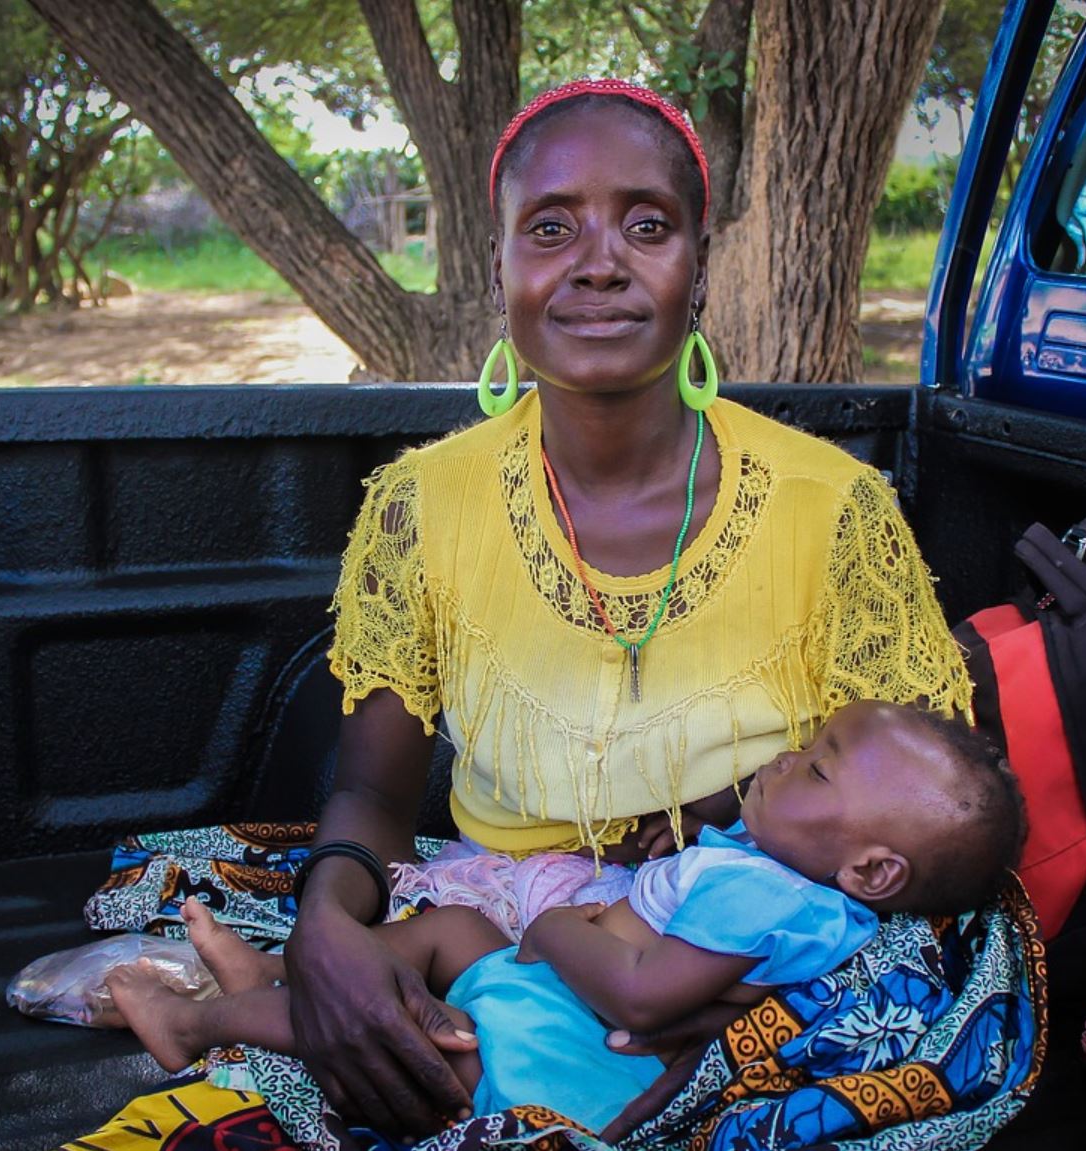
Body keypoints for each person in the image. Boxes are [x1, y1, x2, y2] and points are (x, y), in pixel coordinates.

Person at [285, 77, 974, 1136]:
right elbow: (373, 796)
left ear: (699, 267)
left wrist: (750, 978)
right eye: (549, 227)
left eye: (646, 226)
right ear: (498, 267)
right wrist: (324, 926)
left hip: (748, 953)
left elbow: (915, 813)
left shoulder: (833, 507)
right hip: (502, 920)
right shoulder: (420, 505)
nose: (599, 261)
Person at [107, 701, 1025, 1133]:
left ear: (872, 869)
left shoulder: (767, 896)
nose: (787, 757)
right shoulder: (789, 875)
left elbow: (641, 1000)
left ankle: (199, 1022)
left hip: (562, 1048)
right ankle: (274, 974)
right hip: (558, 999)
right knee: (448, 931)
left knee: (417, 1030)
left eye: (816, 767)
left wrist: (550, 931)